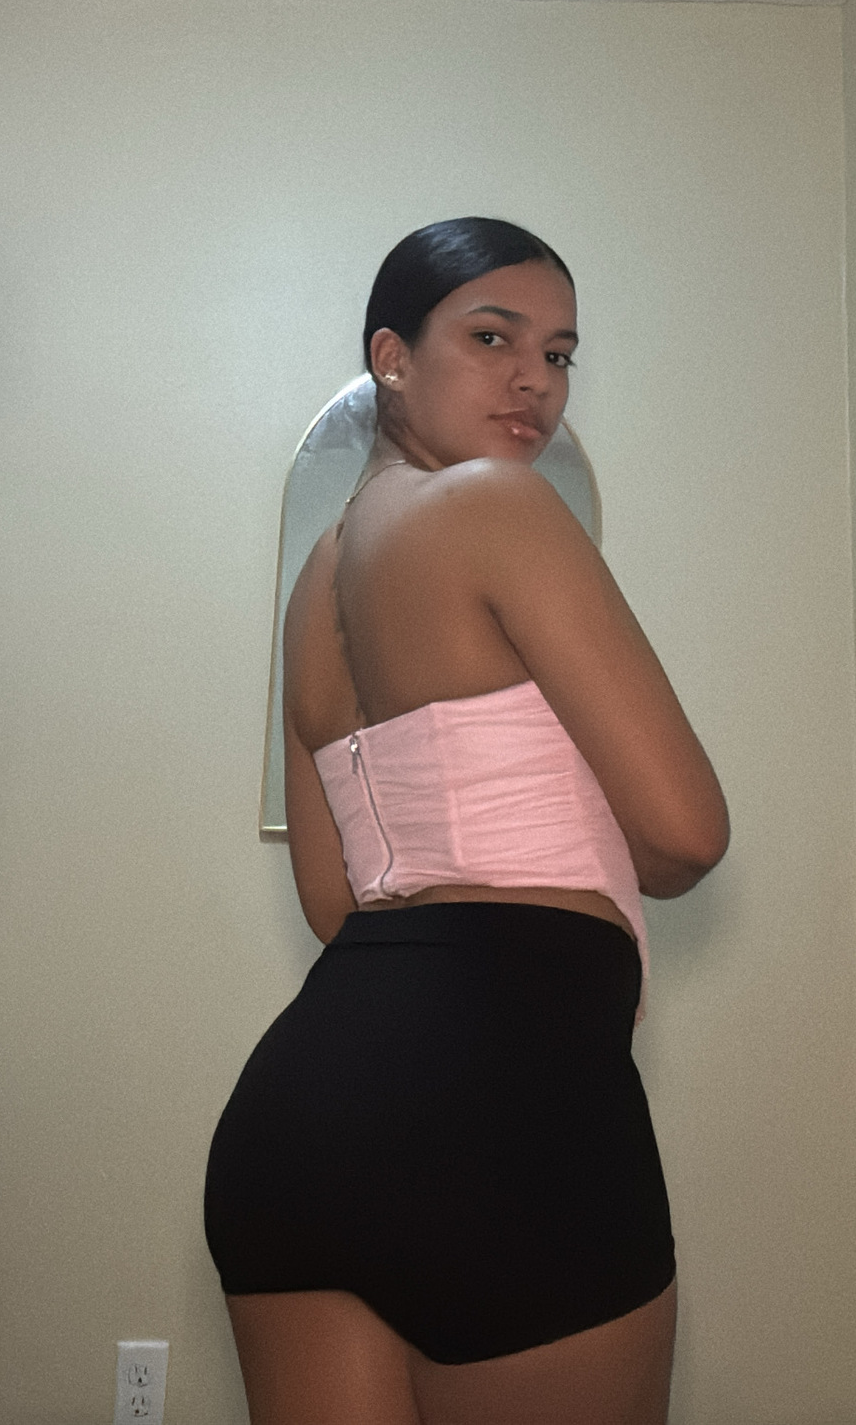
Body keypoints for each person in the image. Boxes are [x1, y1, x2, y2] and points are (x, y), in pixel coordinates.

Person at [205, 217, 730, 1425]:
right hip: (510, 1100)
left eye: (560, 354)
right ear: (391, 356)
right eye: (493, 338)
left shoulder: (314, 585)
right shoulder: (500, 505)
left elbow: (336, 905)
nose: (534, 380)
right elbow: (687, 835)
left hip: (299, 1119)